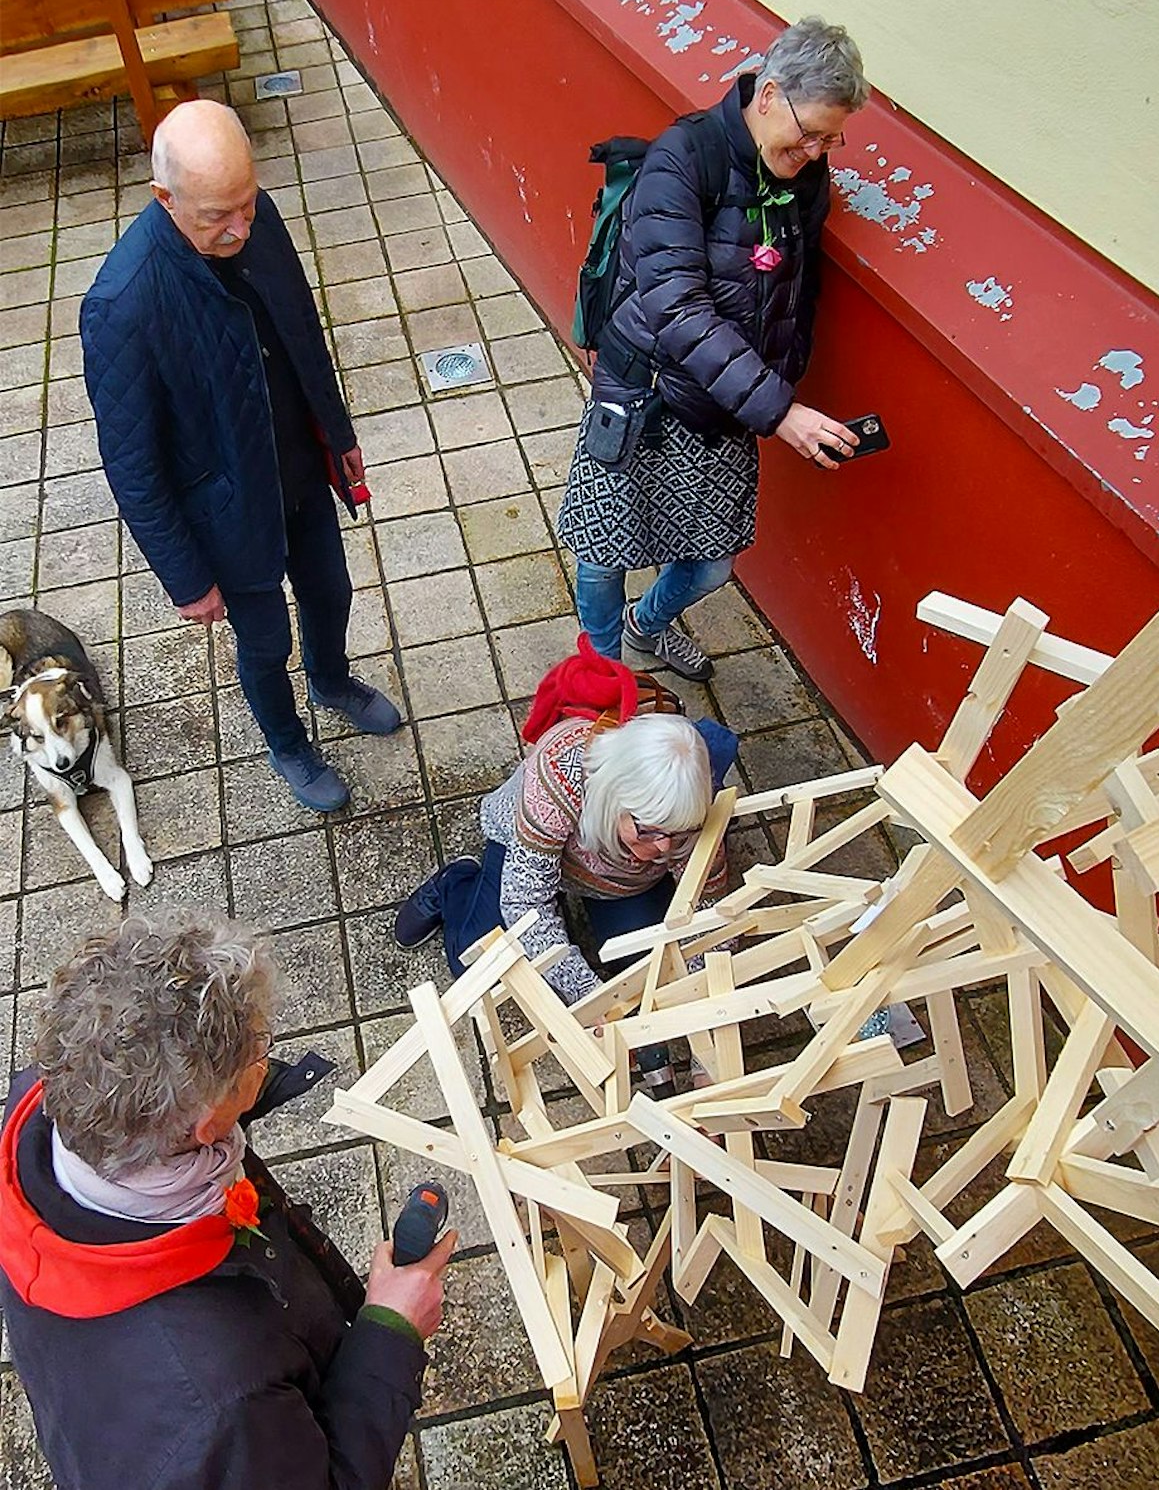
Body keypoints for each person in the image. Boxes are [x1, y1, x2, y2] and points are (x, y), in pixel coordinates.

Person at [0, 915, 454, 1490]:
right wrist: (392, 1330)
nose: (266, 1056)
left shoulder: (50, 1116)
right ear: (205, 1121)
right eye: (260, 1052)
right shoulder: (223, 1401)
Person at [82, 100, 399, 815]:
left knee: (331, 592)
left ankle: (332, 680)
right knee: (264, 644)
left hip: (296, 471)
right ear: (165, 199)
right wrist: (187, 577)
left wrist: (340, 437)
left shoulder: (255, 217)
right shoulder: (123, 305)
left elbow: (302, 334)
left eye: (247, 204)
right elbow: (133, 467)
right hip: (227, 515)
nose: (241, 228)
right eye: (217, 216)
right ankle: (288, 743)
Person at [560, 16, 869, 681]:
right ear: (768, 95)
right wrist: (780, 410)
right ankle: (604, 678)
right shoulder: (683, 157)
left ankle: (646, 628)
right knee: (604, 547)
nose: (817, 151)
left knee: (712, 561)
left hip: (725, 400)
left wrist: (779, 381)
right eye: (810, 131)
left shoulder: (804, 174)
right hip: (643, 386)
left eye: (831, 137)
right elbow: (674, 302)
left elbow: (797, 288)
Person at [394, 711, 740, 1006]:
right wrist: (592, 999)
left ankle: (578, 908)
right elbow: (525, 902)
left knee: (650, 969)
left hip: (614, 882)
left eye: (677, 834)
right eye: (649, 830)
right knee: (474, 964)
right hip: (532, 851)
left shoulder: (688, 805)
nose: (665, 848)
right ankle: (455, 883)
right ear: (613, 799)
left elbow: (711, 911)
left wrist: (700, 1001)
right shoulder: (558, 776)